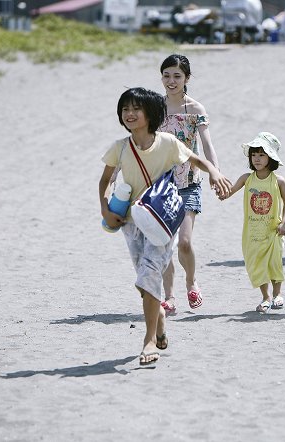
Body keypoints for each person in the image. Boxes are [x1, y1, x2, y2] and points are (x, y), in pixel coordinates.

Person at [98, 87, 231, 366]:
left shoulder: (168, 143)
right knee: (145, 284)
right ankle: (158, 319)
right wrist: (105, 208)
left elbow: (197, 159)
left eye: (136, 109)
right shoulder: (120, 147)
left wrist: (215, 172)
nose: (130, 114)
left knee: (148, 278)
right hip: (131, 224)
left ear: (151, 113)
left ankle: (148, 342)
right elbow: (105, 180)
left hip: (160, 223)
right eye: (125, 109)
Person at [158, 54, 221, 316]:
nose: (171, 81)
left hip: (189, 183)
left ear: (187, 78)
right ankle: (170, 297)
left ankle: (191, 280)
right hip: (160, 186)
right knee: (163, 245)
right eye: (166, 75)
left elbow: (207, 144)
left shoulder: (195, 109)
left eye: (177, 76)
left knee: (184, 242)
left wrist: (215, 173)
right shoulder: (154, 107)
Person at [219, 132, 285, 313]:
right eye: (254, 154)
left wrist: (284, 224)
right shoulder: (246, 178)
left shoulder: (278, 181)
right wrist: (221, 191)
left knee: (275, 263)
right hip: (252, 233)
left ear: (270, 157)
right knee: (257, 264)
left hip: (273, 231)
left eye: (262, 154)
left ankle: (277, 294)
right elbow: (229, 192)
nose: (257, 159)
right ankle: (265, 297)